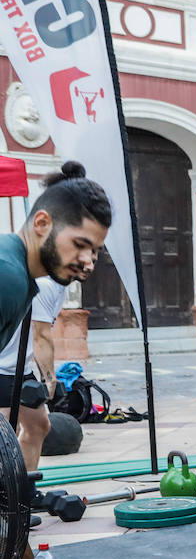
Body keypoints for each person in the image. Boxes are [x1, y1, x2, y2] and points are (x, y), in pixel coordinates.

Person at [0, 162, 109, 355]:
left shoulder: (19, 272)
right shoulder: (8, 276)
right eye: (79, 244)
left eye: (94, 250)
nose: (87, 261)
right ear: (42, 224)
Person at [0, 277, 64, 471]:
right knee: (6, 437)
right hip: (3, 367)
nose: (88, 264)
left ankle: (24, 491)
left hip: (20, 368)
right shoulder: (44, 285)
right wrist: (49, 378)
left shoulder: (59, 286)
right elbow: (40, 335)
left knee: (37, 426)